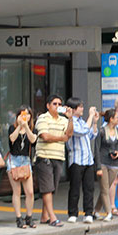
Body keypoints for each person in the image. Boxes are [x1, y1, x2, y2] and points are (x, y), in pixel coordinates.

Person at [34, 94, 73, 227]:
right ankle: (52, 217)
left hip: (58, 156)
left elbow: (69, 135)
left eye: (59, 104)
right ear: (48, 106)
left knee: (52, 188)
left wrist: (70, 118)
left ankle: (44, 216)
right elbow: (45, 136)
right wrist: (61, 138)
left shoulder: (63, 120)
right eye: (55, 104)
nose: (57, 106)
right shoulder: (42, 118)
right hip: (44, 157)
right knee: (47, 188)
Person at [66, 98, 98, 224]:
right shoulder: (70, 122)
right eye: (80, 107)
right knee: (74, 187)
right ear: (73, 109)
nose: (82, 109)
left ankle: (88, 213)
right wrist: (90, 117)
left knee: (89, 188)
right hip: (76, 159)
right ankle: (73, 213)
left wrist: (94, 123)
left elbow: (91, 135)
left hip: (88, 160)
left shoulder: (82, 121)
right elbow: (81, 131)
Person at [7, 106, 37, 228]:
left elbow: (33, 140)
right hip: (13, 161)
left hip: (25, 160)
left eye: (28, 114)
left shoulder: (32, 129)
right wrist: (20, 126)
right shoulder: (12, 128)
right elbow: (12, 139)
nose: (25, 116)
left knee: (30, 192)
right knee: (17, 191)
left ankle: (29, 217)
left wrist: (26, 127)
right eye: (22, 114)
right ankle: (19, 218)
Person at [94, 109, 118, 221]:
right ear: (111, 119)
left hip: (114, 164)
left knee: (106, 187)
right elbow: (97, 149)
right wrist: (98, 167)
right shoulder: (102, 131)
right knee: (104, 188)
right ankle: (108, 212)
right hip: (103, 162)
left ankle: (96, 210)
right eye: (117, 117)